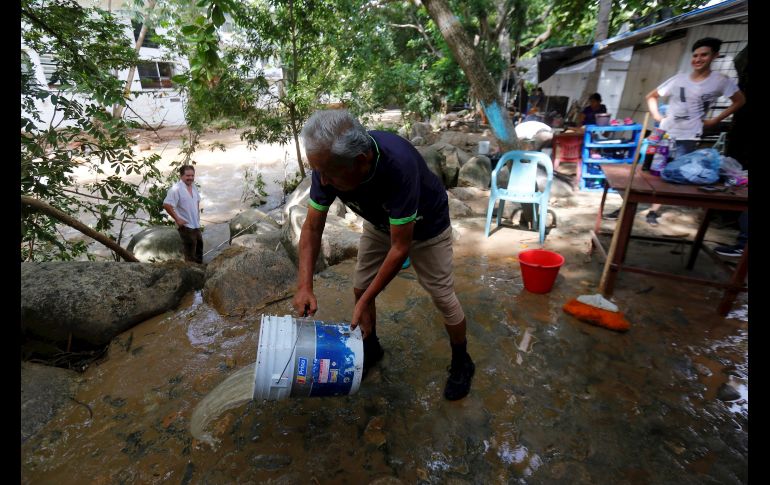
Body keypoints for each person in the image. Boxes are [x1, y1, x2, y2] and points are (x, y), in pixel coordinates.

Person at [293, 109, 475, 401]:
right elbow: (313, 227)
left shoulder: (398, 165)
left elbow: (401, 247)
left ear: (361, 161)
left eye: (329, 174)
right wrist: (304, 286)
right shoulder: (327, 166)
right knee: (360, 285)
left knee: (441, 295)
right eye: (318, 172)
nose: (322, 181)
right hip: (380, 222)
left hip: (427, 226)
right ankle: (372, 345)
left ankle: (462, 359)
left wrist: (366, 301)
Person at [604, 37, 745, 226]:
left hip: (689, 135)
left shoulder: (720, 81)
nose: (698, 59)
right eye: (695, 55)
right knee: (645, 171)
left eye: (704, 55)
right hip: (663, 133)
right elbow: (651, 96)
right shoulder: (679, 79)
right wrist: (657, 117)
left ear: (715, 56)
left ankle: (653, 211)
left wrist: (715, 120)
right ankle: (626, 206)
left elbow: (740, 100)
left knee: (674, 175)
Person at [163, 164, 203, 264]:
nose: (190, 178)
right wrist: (177, 219)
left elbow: (197, 200)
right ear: (181, 176)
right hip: (185, 227)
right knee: (190, 254)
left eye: (192, 175)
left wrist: (197, 216)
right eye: (188, 176)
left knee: (199, 248)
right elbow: (166, 204)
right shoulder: (176, 189)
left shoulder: (193, 187)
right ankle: (191, 274)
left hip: (195, 225)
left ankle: (200, 270)